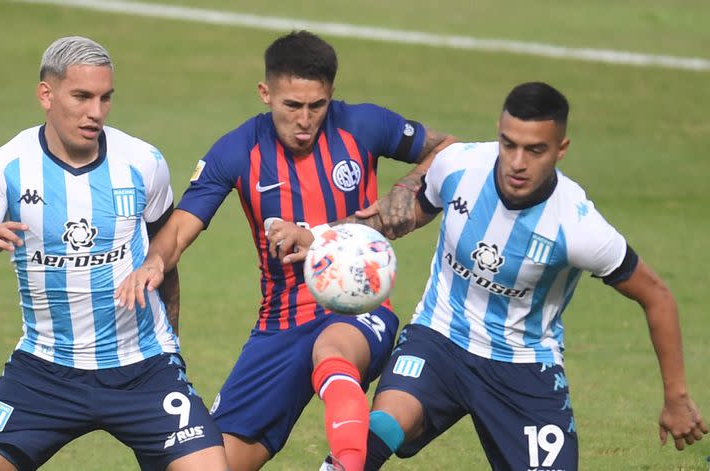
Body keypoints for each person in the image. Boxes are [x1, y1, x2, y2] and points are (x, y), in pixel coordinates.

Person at [269, 82, 708, 470]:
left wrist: (676, 396)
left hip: (524, 368)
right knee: (381, 428)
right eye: (508, 143)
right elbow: (394, 218)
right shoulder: (460, 167)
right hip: (440, 339)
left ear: (561, 149)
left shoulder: (578, 227)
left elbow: (657, 296)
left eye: (535, 150)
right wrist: (323, 238)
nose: (517, 162)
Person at [114, 30, 452, 471]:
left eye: (317, 105)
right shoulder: (237, 150)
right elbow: (179, 229)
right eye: (292, 106)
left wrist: (386, 210)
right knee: (216, 463)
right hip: (280, 324)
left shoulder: (364, 125)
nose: (305, 119)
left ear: (331, 95)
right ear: (266, 93)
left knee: (332, 351)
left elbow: (447, 150)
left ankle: (346, 464)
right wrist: (154, 262)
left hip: (356, 306)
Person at [0, 36, 228, 471]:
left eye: (105, 98)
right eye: (82, 97)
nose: (96, 112)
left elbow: (164, 252)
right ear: (46, 94)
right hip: (44, 372)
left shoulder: (142, 162)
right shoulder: (7, 166)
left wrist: (171, 345)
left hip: (143, 367)